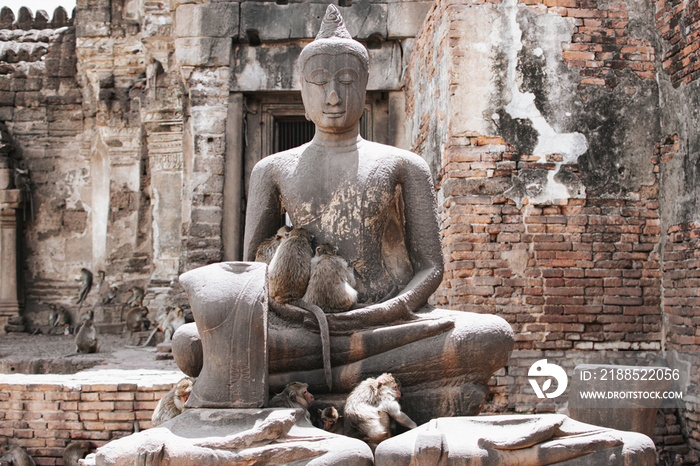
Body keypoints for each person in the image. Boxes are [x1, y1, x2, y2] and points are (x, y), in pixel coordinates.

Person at [176, 5, 513, 423]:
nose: (333, 95)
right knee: (190, 344)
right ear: (302, 92)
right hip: (302, 327)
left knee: (491, 335)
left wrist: (387, 310)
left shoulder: (404, 165)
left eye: (346, 81)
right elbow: (255, 272)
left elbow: (431, 266)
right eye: (320, 83)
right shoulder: (273, 169)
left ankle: (319, 379)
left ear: (365, 86)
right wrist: (292, 315)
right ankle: (359, 380)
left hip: (387, 326)